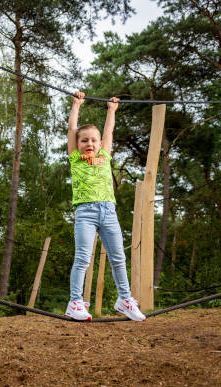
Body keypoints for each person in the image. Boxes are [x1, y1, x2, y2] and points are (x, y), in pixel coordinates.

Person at [65, 91, 146, 322]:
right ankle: (75, 302)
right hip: (85, 212)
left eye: (93, 140)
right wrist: (77, 105)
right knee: (82, 258)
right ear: (77, 145)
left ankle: (125, 299)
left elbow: (108, 131)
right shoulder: (75, 158)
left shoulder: (105, 155)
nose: (89, 143)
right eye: (84, 140)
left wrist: (111, 110)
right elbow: (72, 130)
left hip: (109, 211)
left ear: (100, 144)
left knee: (118, 257)